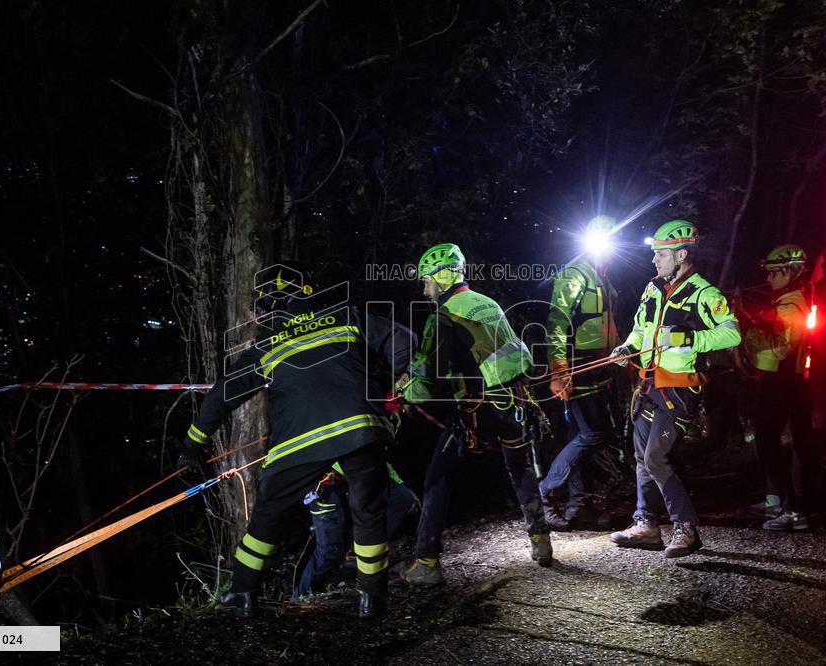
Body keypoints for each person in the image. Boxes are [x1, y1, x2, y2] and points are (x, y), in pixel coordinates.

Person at [178, 264, 415, 619]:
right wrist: (386, 388)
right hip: (362, 428)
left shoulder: (266, 343)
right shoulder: (346, 316)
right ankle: (372, 600)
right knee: (368, 511)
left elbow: (221, 397)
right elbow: (405, 340)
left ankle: (241, 594)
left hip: (299, 443)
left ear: (266, 308)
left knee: (269, 512)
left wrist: (192, 446)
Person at [397, 243, 552, 587]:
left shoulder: (444, 315)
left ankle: (426, 562)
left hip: (475, 411)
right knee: (519, 468)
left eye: (426, 282)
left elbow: (429, 376)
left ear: (442, 277)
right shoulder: (487, 303)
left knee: (437, 478)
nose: (425, 290)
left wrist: (403, 392)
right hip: (512, 402)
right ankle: (541, 542)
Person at [608, 220, 741, 558]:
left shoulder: (704, 293)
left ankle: (686, 528)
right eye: (654, 253)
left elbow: (732, 334)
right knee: (641, 456)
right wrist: (626, 348)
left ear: (681, 254)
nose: (655, 260)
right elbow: (640, 331)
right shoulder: (652, 288)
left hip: (679, 390)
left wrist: (690, 338)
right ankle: (646, 525)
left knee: (655, 457)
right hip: (648, 384)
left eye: (661, 254)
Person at [540, 215, 619, 530]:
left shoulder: (603, 276)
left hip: (600, 364)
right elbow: (557, 322)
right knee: (592, 433)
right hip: (578, 366)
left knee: (579, 434)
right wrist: (558, 370)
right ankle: (544, 492)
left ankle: (579, 505)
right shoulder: (574, 273)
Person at [742, 244, 816, 530]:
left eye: (775, 273)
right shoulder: (786, 301)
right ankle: (775, 500)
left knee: (772, 444)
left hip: (782, 382)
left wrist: (749, 325)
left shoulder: (792, 305)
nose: (769, 279)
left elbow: (781, 348)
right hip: (774, 380)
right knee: (768, 442)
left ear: (792, 272)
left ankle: (794, 511)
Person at [294, 462, 419, 600]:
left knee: (402, 497)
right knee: (329, 553)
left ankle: (354, 557)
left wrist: (399, 485)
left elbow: (378, 459)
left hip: (350, 483)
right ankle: (301, 596)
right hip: (326, 486)